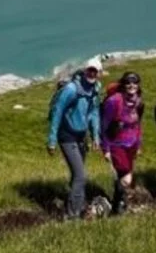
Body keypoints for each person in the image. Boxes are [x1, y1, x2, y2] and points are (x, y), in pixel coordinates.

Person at [47, 57, 103, 220]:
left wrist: (95, 137)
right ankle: (72, 215)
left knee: (76, 175)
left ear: (99, 74)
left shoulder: (95, 90)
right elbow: (58, 112)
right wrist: (51, 140)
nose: (92, 74)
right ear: (85, 71)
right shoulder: (72, 89)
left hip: (81, 136)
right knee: (80, 175)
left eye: (95, 71)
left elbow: (93, 113)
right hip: (67, 135)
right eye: (90, 70)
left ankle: (76, 204)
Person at [101, 71, 144, 215]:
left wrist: (138, 145)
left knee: (123, 177)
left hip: (131, 144)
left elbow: (138, 124)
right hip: (116, 145)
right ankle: (118, 204)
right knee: (126, 178)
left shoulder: (138, 101)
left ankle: (117, 206)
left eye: (135, 82)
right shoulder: (114, 101)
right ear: (123, 85)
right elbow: (104, 126)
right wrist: (105, 149)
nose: (131, 85)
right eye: (128, 83)